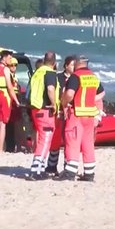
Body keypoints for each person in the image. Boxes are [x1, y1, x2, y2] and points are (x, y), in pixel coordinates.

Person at [61, 55, 104, 182]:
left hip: (77, 113)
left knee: (72, 142)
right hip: (90, 115)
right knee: (88, 144)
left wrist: (64, 102)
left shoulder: (76, 76)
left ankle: (70, 172)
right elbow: (102, 93)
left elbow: (69, 94)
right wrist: (91, 100)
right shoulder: (93, 76)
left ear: (76, 64)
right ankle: (89, 173)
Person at [27, 51, 60, 180]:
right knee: (45, 139)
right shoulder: (49, 73)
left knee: (41, 137)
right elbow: (50, 89)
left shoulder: (37, 72)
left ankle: (38, 168)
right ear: (54, 63)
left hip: (35, 109)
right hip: (45, 109)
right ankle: (36, 169)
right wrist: (53, 104)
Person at [45, 55, 76, 177]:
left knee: (69, 141)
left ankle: (67, 166)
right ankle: (52, 166)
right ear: (66, 66)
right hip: (59, 112)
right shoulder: (58, 77)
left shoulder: (76, 78)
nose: (74, 67)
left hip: (71, 113)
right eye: (72, 65)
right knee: (56, 140)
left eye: (75, 65)